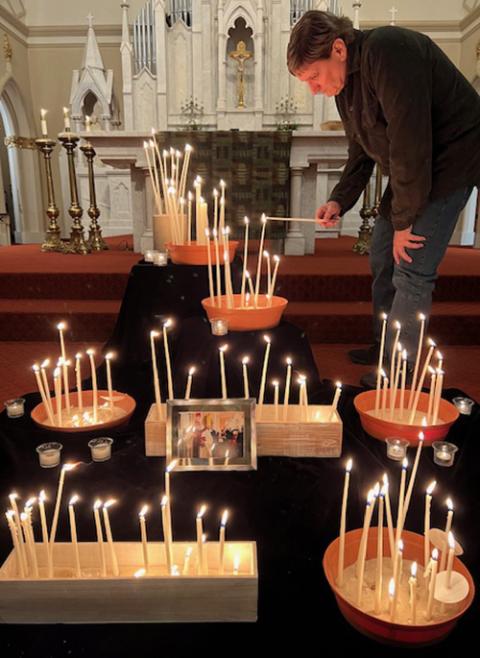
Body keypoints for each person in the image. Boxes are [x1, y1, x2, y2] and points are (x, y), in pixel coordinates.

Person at [287, 11, 480, 386]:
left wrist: (405, 223)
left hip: (452, 158)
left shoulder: (388, 53)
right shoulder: (345, 87)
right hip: (415, 165)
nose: (313, 89)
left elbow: (411, 141)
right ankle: (384, 345)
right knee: (381, 251)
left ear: (338, 49)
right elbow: (361, 150)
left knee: (411, 266)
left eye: (313, 76)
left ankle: (399, 373)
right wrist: (339, 201)